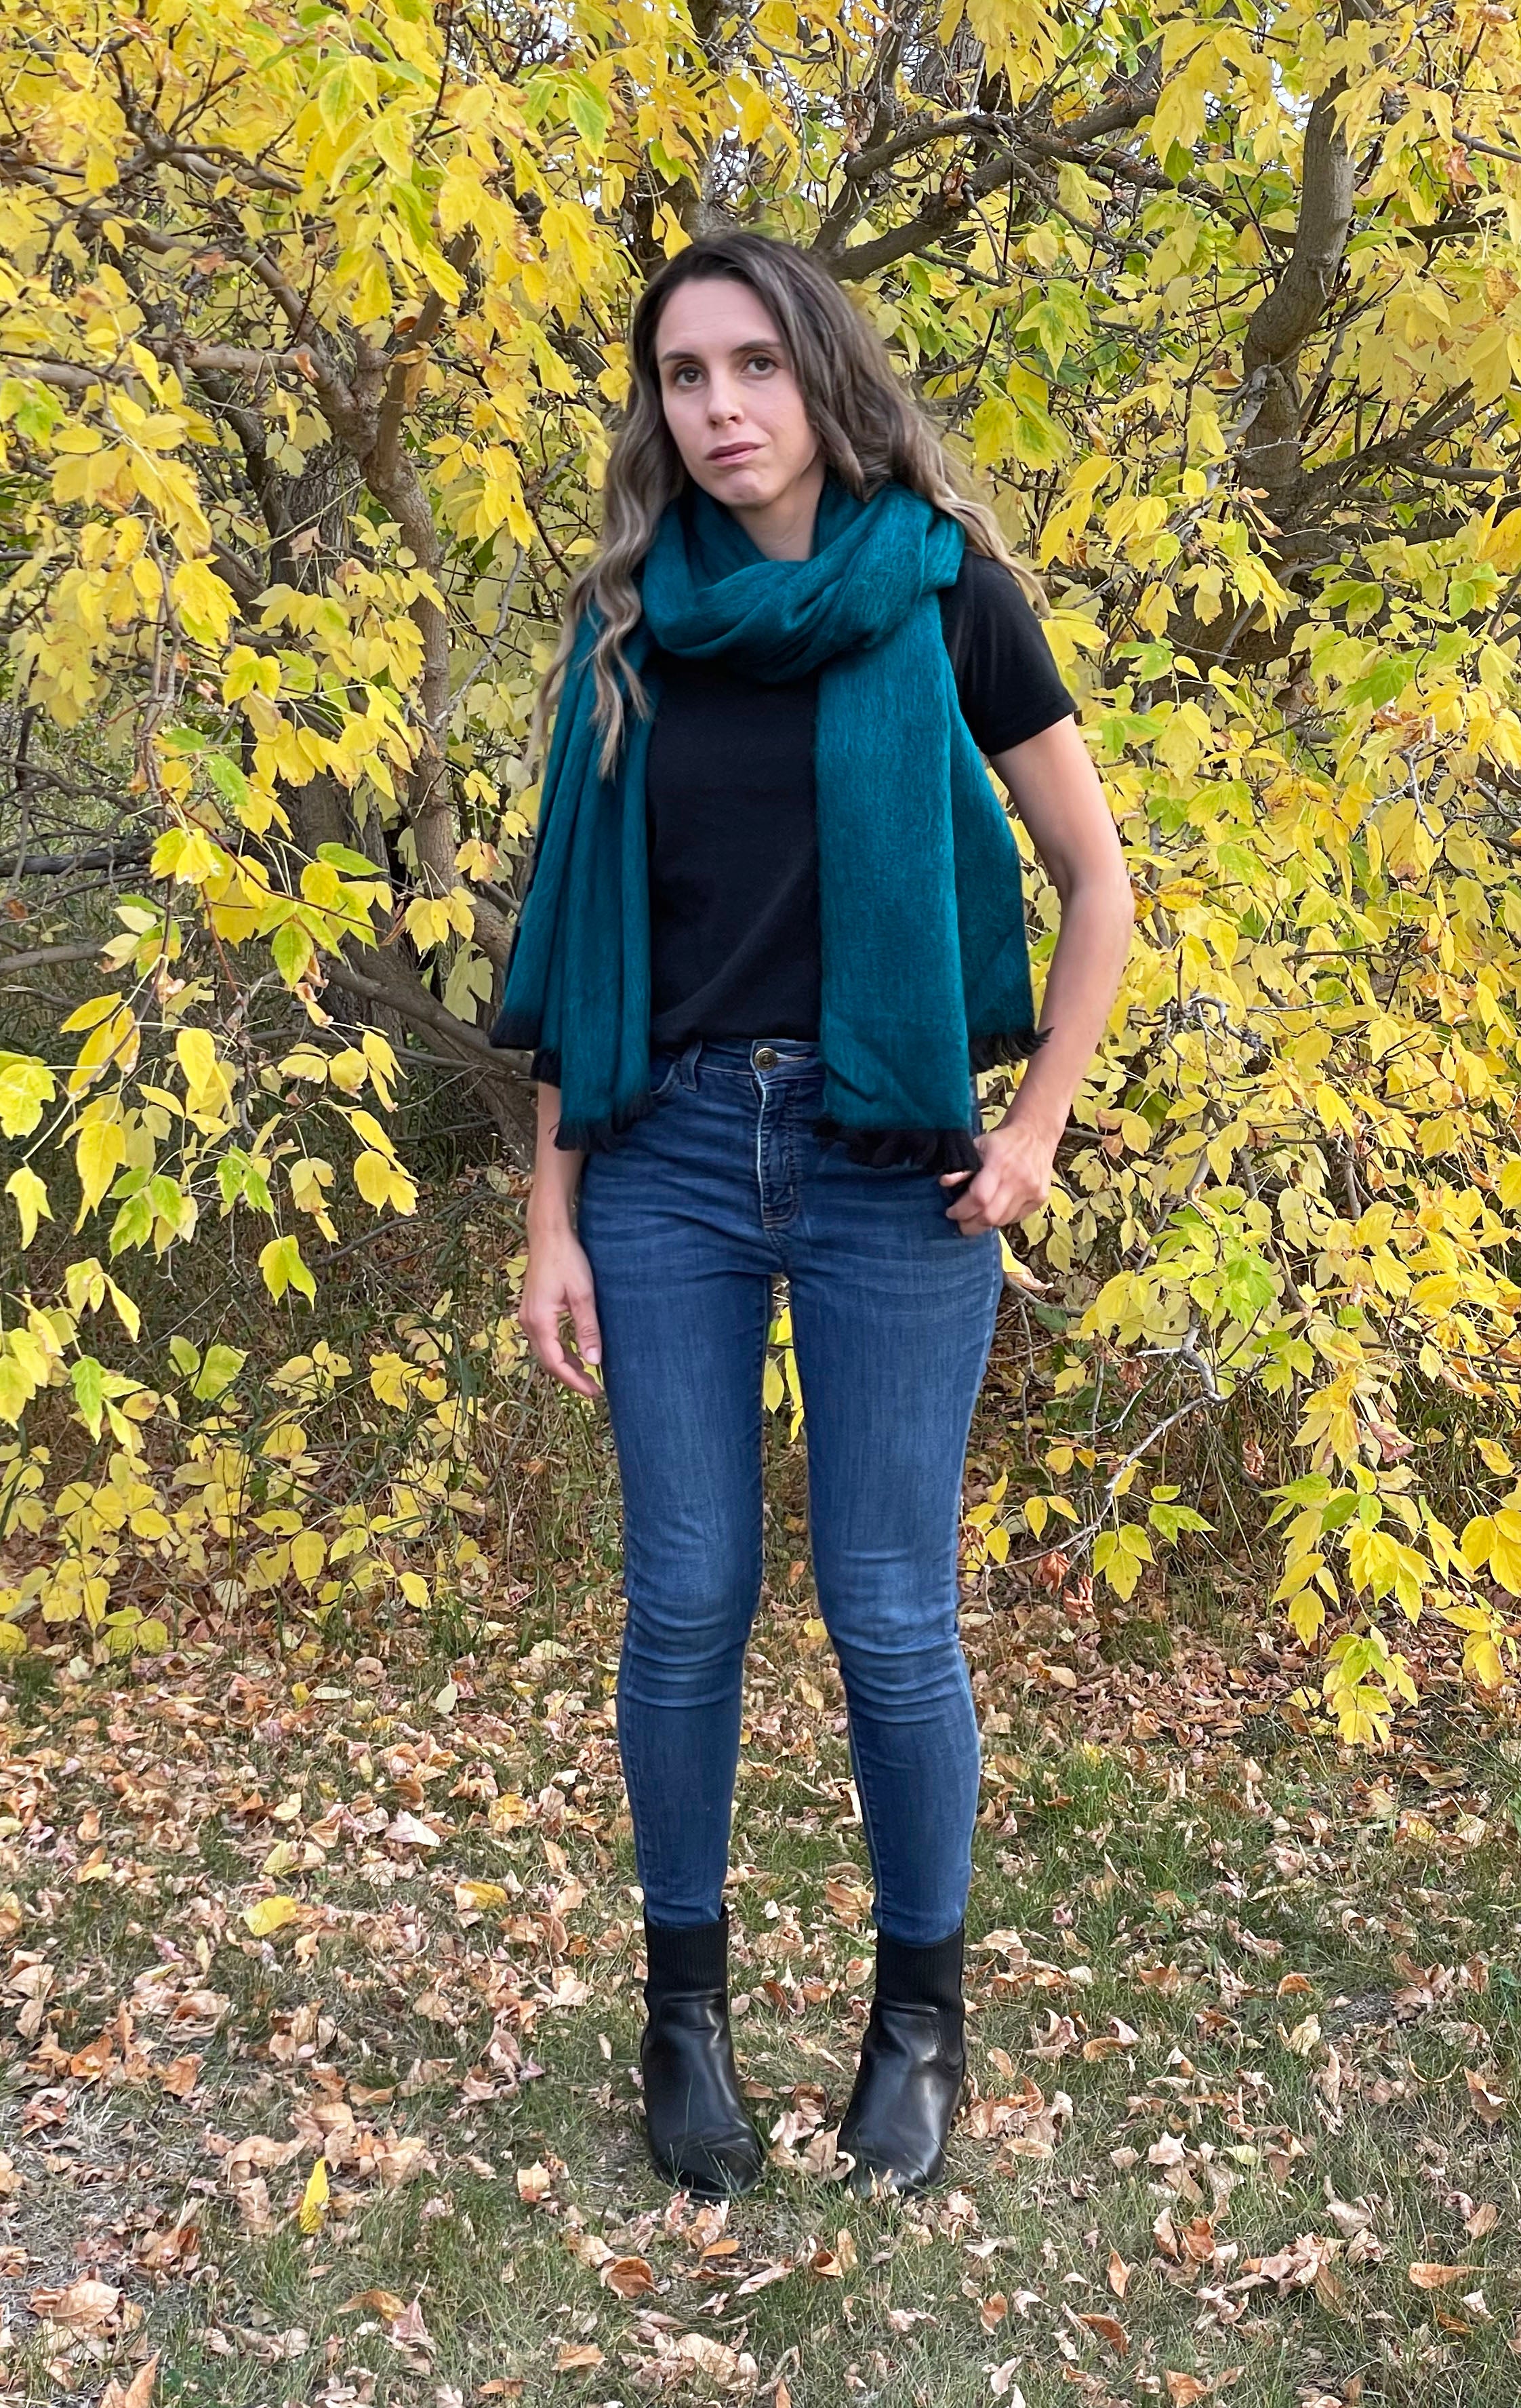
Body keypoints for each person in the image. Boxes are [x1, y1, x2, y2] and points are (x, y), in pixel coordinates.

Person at [493, 231, 1133, 2201]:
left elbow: (1098, 886)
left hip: (890, 1173)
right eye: (684, 376)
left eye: (754, 365)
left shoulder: (943, 592)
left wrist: (1032, 1129)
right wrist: (550, 1219)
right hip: (670, 1159)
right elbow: (577, 951)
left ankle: (916, 2021)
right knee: (685, 1597)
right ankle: (682, 2018)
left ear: (821, 376)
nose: (720, 408)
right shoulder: (626, 622)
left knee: (889, 1612)